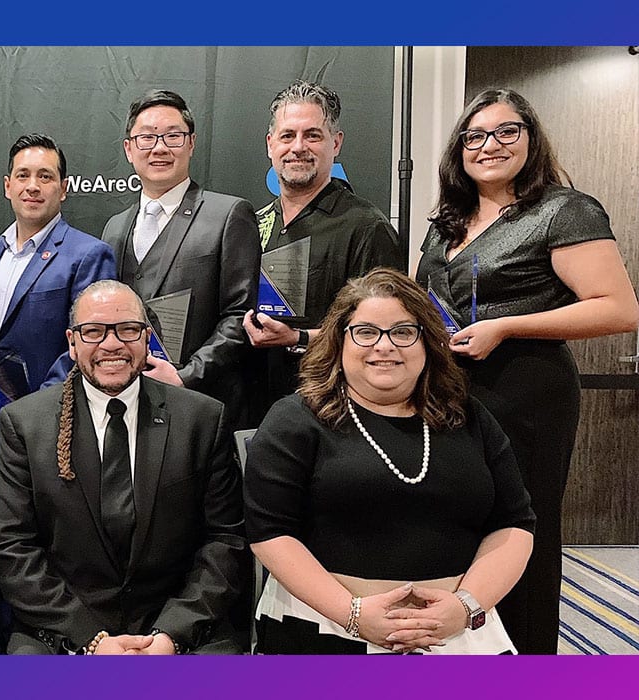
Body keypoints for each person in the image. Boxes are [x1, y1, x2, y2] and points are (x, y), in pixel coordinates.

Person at [414, 88, 639, 654]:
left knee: (521, 529)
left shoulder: (564, 210)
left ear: (531, 138)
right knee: (456, 525)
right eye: (475, 135)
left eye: (506, 131)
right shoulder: (446, 222)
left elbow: (618, 308)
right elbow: (417, 306)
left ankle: (528, 663)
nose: (489, 145)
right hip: (448, 394)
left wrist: (507, 326)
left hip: (525, 394)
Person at [245, 268, 536, 654]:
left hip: (457, 630)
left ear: (428, 343)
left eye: (403, 332)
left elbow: (514, 523)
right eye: (366, 332)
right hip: (325, 625)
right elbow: (269, 532)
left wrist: (464, 607)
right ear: (339, 341)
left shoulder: (468, 416)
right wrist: (354, 614)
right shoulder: (294, 419)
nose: (384, 346)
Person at [0, 280, 249, 654]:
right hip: (62, 631)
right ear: (71, 342)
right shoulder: (25, 425)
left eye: (127, 330)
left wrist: (170, 636)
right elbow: (12, 548)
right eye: (93, 331)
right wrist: (91, 641)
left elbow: (225, 542)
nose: (112, 344)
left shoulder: (202, 419)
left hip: (180, 628)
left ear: (147, 338)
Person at [0, 133, 116, 652]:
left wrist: (32, 417)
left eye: (46, 177)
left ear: (64, 187)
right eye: (24, 176)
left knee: (38, 561)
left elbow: (87, 348)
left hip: (48, 435)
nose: (33, 186)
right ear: (7, 185)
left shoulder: (88, 254)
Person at [82, 89, 259, 428]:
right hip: (124, 403)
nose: (160, 147)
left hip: (201, 404)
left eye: (172, 136)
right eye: (147, 137)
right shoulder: (114, 227)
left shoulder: (229, 215)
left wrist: (186, 376)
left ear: (191, 143)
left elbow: (240, 316)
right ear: (129, 149)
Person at [242, 80, 404, 427]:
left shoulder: (366, 227)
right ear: (271, 145)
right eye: (287, 136)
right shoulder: (251, 224)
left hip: (334, 412)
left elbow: (385, 329)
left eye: (312, 135)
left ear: (336, 143)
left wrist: (298, 338)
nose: (298, 147)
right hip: (255, 408)